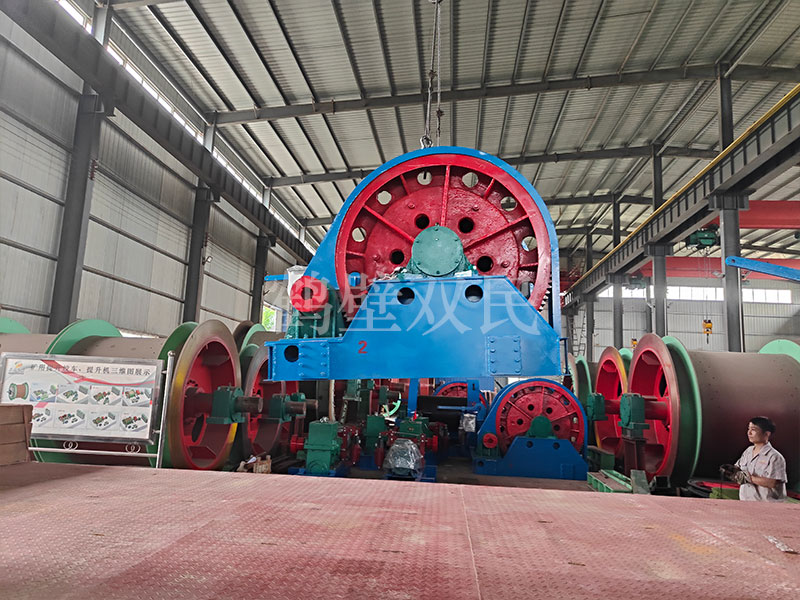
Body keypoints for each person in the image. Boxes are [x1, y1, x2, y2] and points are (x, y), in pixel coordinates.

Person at [720, 416, 787, 502]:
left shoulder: (775, 457)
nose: (749, 432)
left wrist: (748, 478)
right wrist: (731, 470)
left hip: (767, 506)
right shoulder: (748, 451)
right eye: (748, 429)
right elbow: (738, 469)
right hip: (746, 502)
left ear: (767, 434)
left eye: (753, 429)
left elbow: (772, 483)